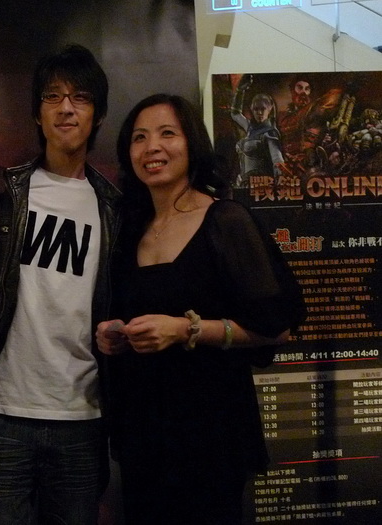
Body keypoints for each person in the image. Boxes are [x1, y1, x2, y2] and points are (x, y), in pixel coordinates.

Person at [0, 44, 120, 524]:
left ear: (98, 114)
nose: (66, 108)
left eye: (80, 98)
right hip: (2, 413)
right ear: (37, 112)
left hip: (83, 417)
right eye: (53, 97)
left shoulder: (115, 208)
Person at [96, 94, 305, 525]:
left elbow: (277, 328)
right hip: (143, 429)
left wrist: (186, 330)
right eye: (139, 137)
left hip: (210, 430)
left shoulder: (225, 220)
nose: (152, 147)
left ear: (192, 143)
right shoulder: (129, 228)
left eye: (167, 134)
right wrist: (113, 334)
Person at [230, 74, 284, 187]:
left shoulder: (270, 132)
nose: (259, 112)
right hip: (245, 182)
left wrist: (279, 178)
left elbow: (277, 159)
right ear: (252, 109)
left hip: (262, 184)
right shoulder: (250, 127)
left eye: (263, 109)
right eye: (256, 109)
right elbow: (235, 114)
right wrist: (240, 91)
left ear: (269, 109)